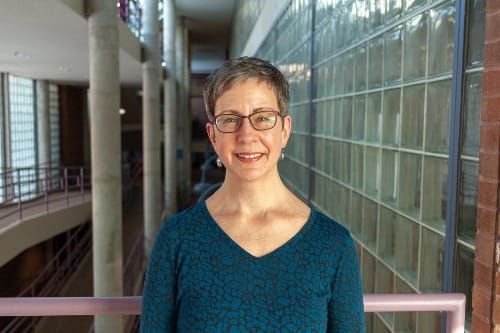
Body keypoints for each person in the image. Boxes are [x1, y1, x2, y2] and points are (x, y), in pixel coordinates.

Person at [140, 56, 365, 332]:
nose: (246, 135)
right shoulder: (177, 239)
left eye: (263, 118)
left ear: (285, 130)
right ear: (213, 136)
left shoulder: (332, 245)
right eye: (230, 120)